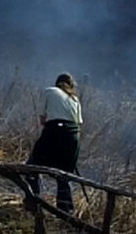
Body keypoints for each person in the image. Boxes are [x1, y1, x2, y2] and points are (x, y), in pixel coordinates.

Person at [24, 72, 83, 213]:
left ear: (57, 83)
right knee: (63, 175)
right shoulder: (75, 99)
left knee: (32, 167)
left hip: (55, 131)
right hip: (74, 137)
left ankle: (34, 202)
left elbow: (43, 119)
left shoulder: (49, 91)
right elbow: (79, 122)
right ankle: (65, 210)